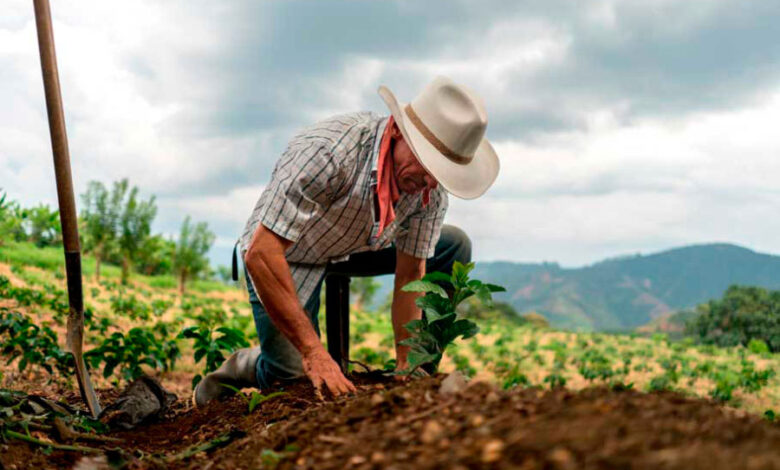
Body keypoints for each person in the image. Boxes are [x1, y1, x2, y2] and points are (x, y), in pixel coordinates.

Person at [193, 76, 500, 406]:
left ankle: (419, 372)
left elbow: (412, 274)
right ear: (397, 131)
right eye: (426, 165)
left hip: (356, 245)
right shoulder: (329, 152)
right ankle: (246, 365)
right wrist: (314, 352)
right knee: (293, 379)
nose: (429, 182)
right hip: (288, 252)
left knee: (454, 245)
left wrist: (406, 365)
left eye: (440, 174)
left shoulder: (428, 189)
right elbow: (262, 252)